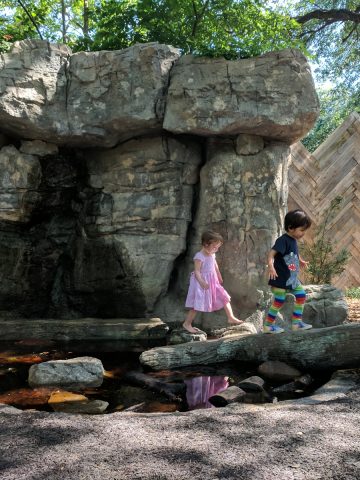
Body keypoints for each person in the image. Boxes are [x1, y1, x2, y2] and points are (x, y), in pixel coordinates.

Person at [183, 230, 243, 334]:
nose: (216, 249)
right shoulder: (199, 256)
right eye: (215, 247)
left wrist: (218, 274)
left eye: (218, 247)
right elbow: (197, 271)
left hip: (212, 281)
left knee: (224, 296)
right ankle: (187, 324)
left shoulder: (212, 254)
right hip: (201, 282)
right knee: (196, 305)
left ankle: (231, 317)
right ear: (206, 244)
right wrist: (202, 282)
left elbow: (214, 264)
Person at [264, 209, 313, 334]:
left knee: (301, 296)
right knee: (279, 301)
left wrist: (300, 260)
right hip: (280, 279)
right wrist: (271, 266)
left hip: (291, 279)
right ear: (291, 228)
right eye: (301, 230)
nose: (303, 233)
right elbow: (271, 254)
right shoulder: (283, 240)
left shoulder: (293, 241)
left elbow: (293, 254)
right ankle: (268, 326)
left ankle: (296, 324)